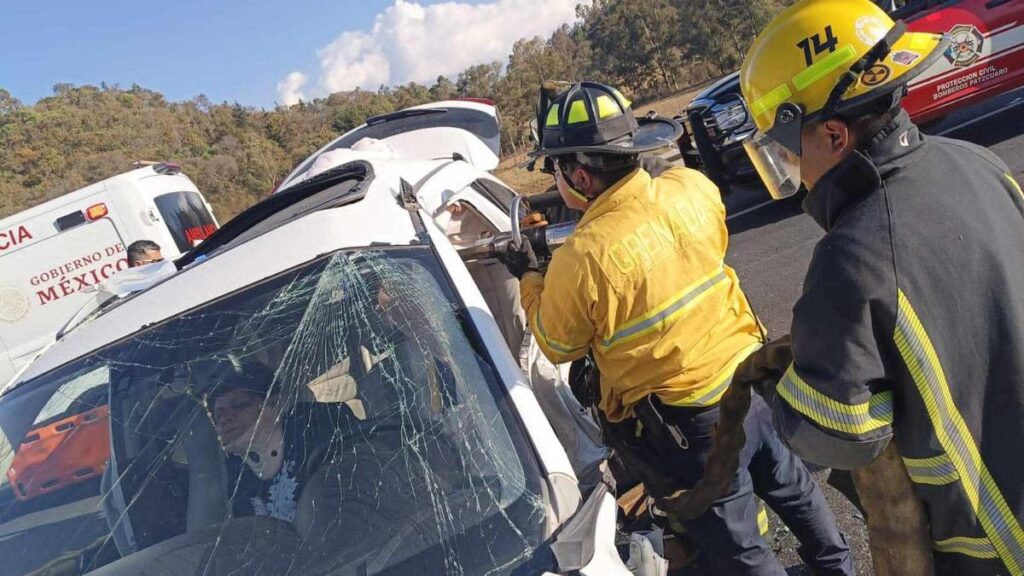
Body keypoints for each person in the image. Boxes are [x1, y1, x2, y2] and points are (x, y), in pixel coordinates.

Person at [501, 81, 853, 575]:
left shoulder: (582, 257)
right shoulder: (691, 188)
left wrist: (529, 276)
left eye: (556, 168)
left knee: (738, 545)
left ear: (579, 175)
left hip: (694, 421)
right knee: (792, 486)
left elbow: (558, 344)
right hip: (751, 379)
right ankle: (839, 566)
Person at [736, 0, 1024, 573]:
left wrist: (786, 391)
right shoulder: (972, 160)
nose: (792, 170)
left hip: (994, 546)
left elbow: (844, 435)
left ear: (836, 135)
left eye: (789, 148)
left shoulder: (850, 258)